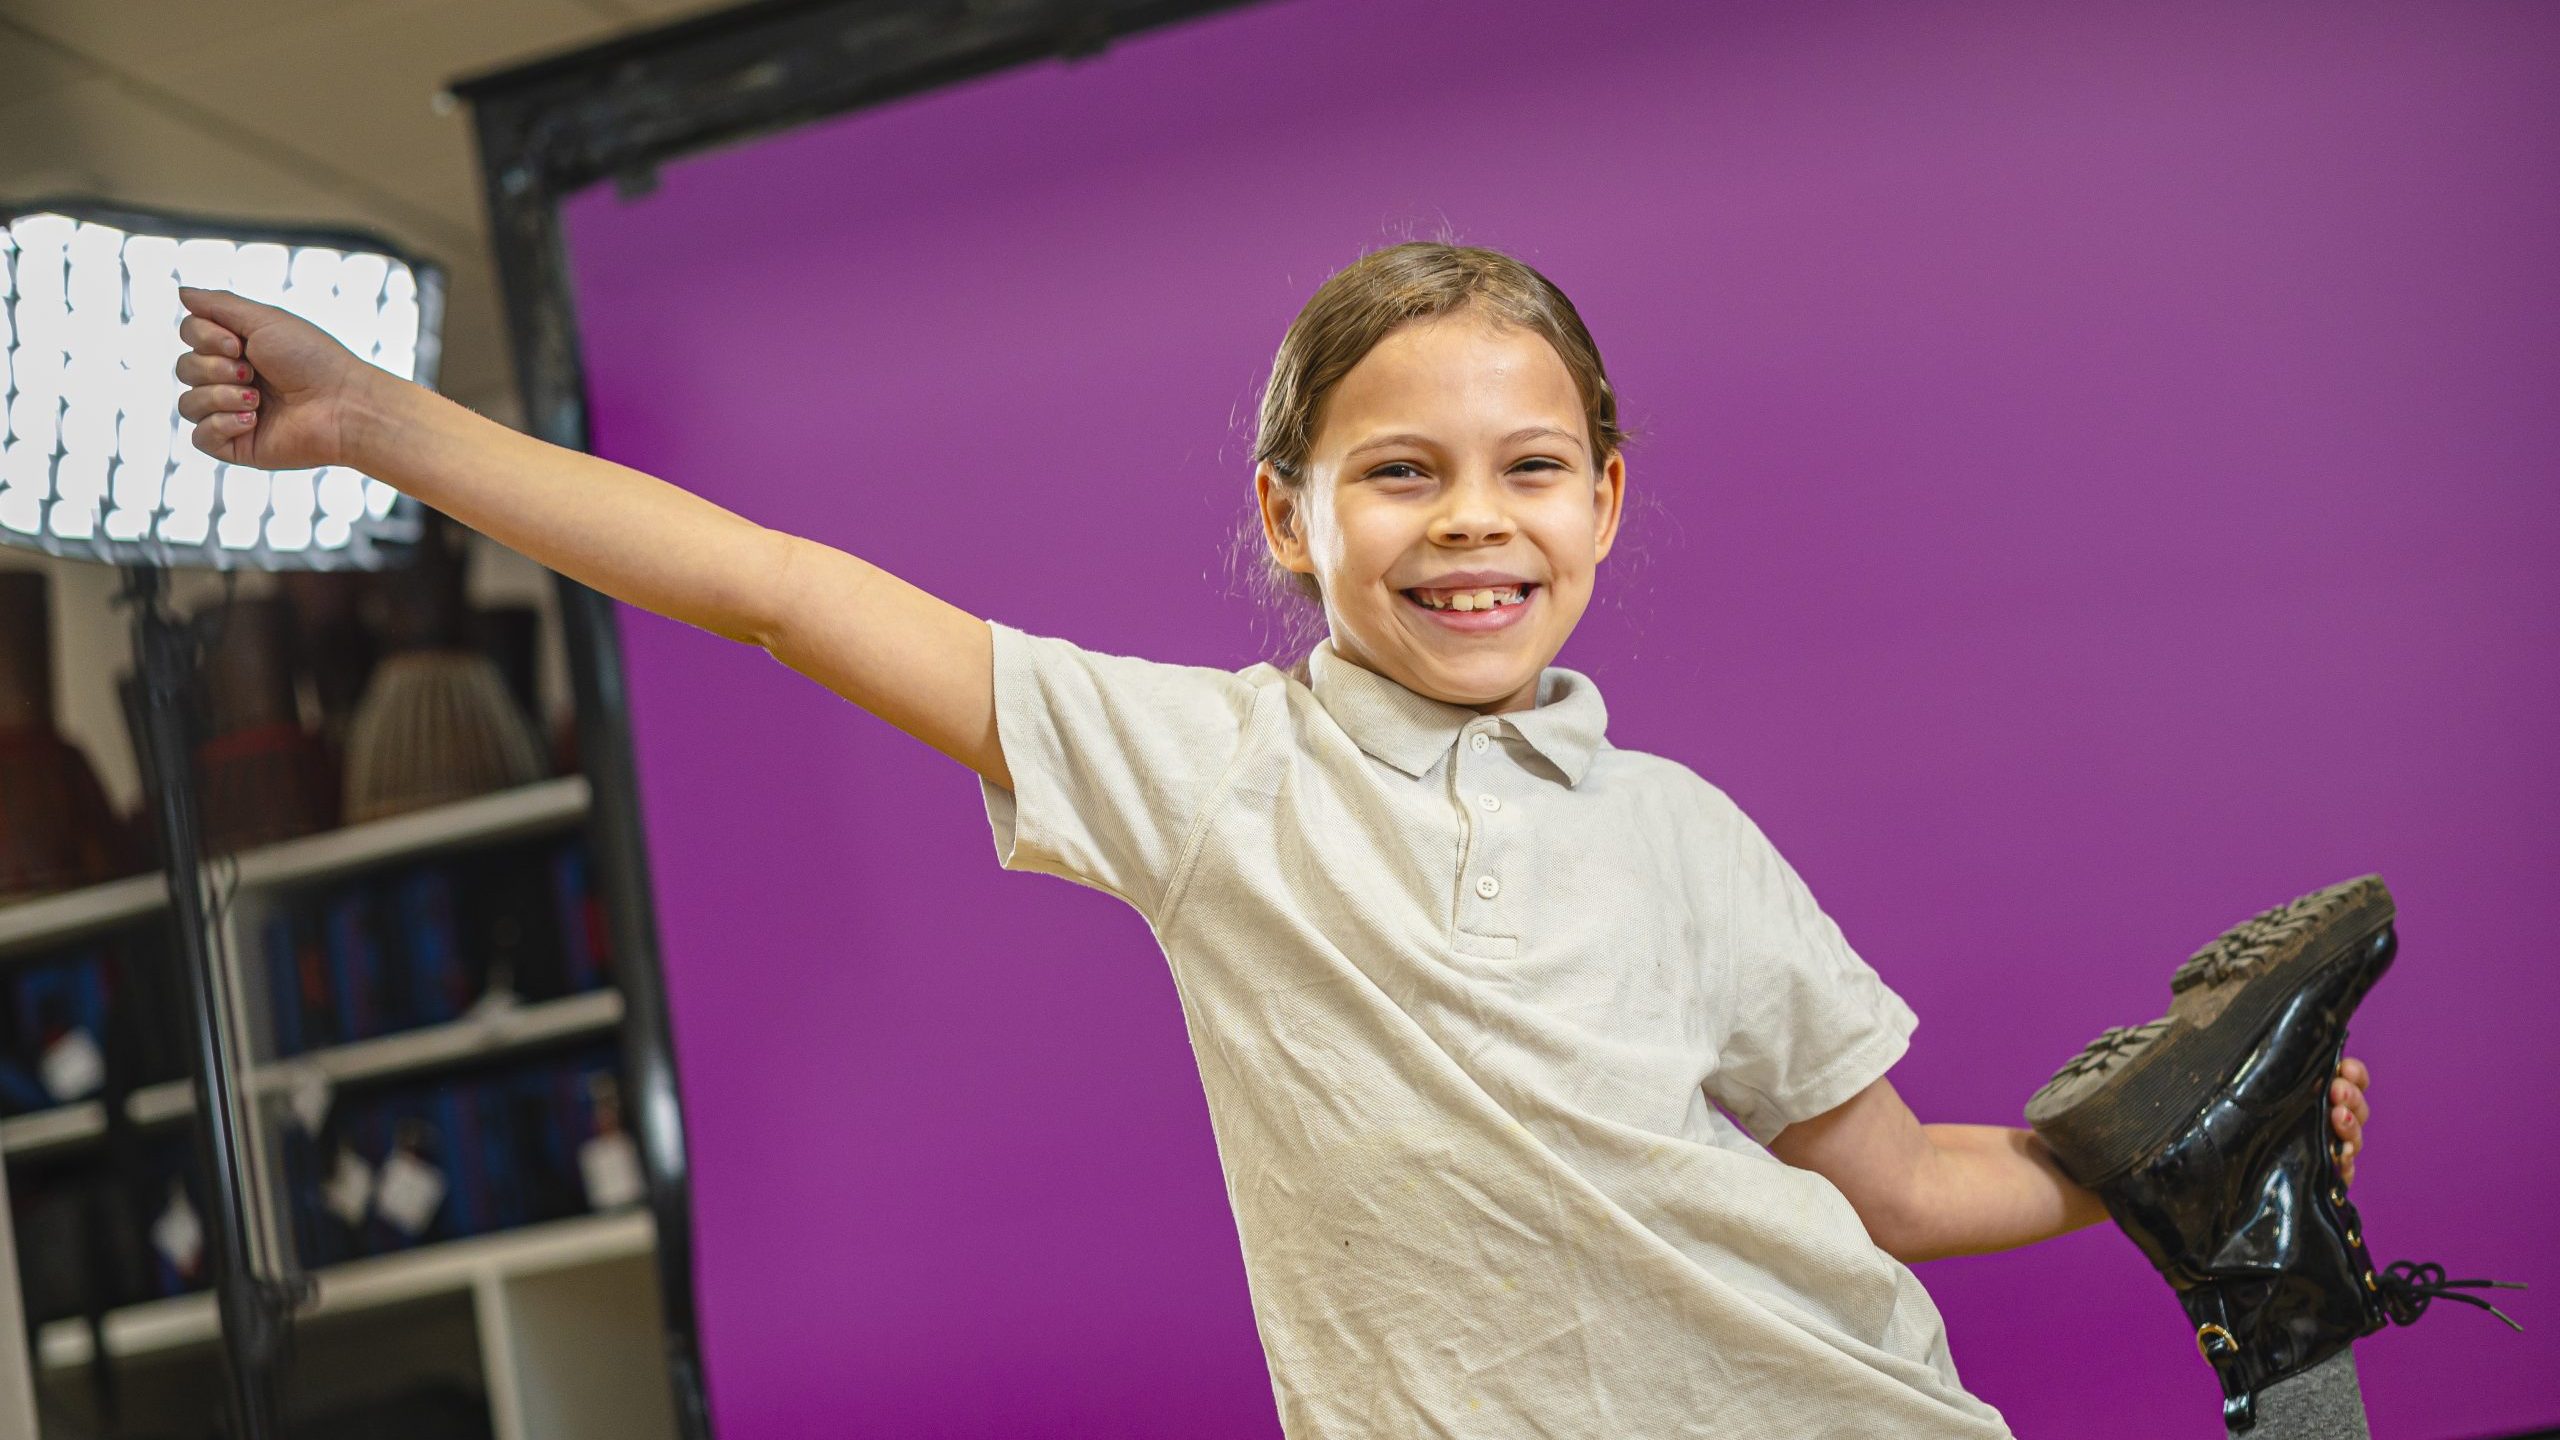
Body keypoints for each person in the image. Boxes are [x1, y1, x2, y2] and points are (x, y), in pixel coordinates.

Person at [173, 243, 2373, 1437]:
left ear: (1602, 500)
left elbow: (1888, 1188)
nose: (1470, 522)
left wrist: (2156, 1155)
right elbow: (764, 584)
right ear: (1284, 517)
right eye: (1396, 472)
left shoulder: (1684, 838)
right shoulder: (1202, 776)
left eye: (1526, 468)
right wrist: (377, 421)